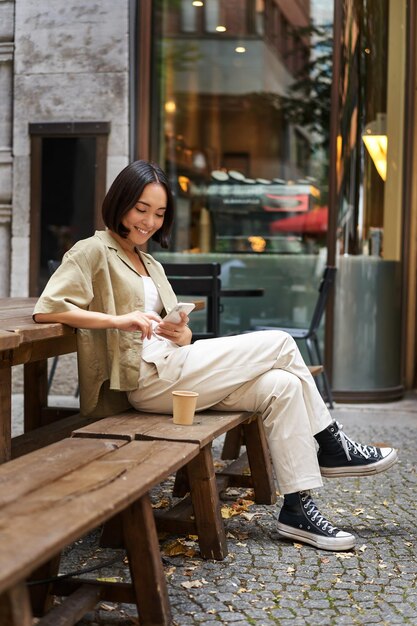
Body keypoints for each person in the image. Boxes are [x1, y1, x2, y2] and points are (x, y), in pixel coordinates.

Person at [34, 160, 398, 552]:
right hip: (145, 376)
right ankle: (331, 444)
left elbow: (179, 335)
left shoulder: (149, 262)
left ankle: (297, 509)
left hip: (174, 370)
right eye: (141, 209)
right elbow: (48, 308)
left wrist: (180, 329)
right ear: (120, 202)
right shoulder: (92, 250)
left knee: (283, 385)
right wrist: (118, 320)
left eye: (159, 213)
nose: (150, 221)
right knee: (279, 342)